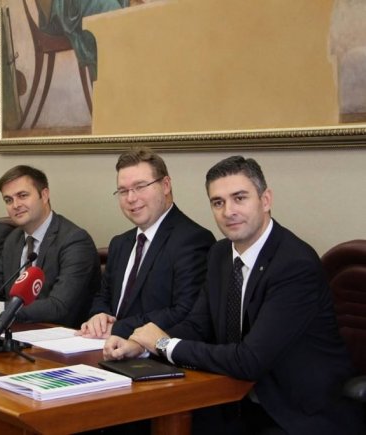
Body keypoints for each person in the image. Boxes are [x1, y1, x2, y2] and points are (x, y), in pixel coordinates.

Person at [104, 156, 364, 434]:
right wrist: (141, 346)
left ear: (265, 200)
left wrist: (164, 345)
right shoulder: (219, 254)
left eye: (239, 198)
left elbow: (250, 360)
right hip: (234, 399)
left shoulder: (294, 264)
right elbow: (197, 325)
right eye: (218, 202)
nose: (228, 211)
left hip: (295, 412)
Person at [79, 148, 215, 339]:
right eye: (123, 191)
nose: (131, 198)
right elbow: (103, 297)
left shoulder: (193, 240)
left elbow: (184, 312)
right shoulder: (120, 243)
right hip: (104, 346)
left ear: (165, 185)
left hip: (153, 353)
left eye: (140, 187)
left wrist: (117, 329)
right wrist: (99, 316)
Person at [0, 165, 101, 328]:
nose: (15, 205)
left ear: (44, 195)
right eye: (8, 200)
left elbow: (58, 307)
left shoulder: (74, 241)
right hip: (15, 331)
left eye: (22, 195)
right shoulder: (13, 239)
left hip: (59, 335)